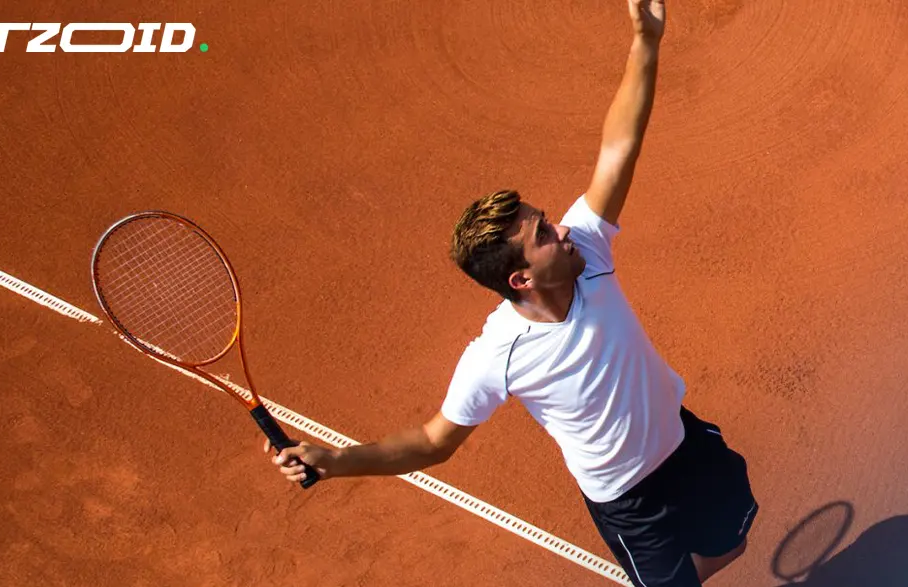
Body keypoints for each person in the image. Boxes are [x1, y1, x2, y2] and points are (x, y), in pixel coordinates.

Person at [266, 1, 757, 584]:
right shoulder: (497, 356)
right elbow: (432, 442)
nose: (564, 229)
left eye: (547, 220)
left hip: (683, 445)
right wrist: (335, 461)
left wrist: (645, 42)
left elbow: (618, 147)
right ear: (520, 279)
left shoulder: (587, 251)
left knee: (735, 539)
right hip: (629, 502)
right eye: (544, 234)